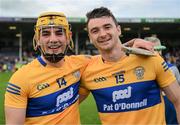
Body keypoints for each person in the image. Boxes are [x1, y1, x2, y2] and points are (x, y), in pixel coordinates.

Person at [4, 11, 153, 125]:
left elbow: (111, 54)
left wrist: (133, 43)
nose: (53, 39)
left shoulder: (80, 63)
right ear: (37, 39)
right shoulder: (20, 79)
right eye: (46, 34)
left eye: (59, 33)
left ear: (68, 37)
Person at [79, 7, 180, 125]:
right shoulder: (88, 71)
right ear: (90, 38)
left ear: (118, 30)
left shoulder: (151, 59)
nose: (102, 34)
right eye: (95, 31)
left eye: (107, 27)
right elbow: (66, 106)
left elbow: (178, 101)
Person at [144, 36, 180, 125]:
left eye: (158, 49)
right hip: (152, 110)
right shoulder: (141, 70)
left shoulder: (173, 68)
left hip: (170, 110)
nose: (157, 52)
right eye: (153, 49)